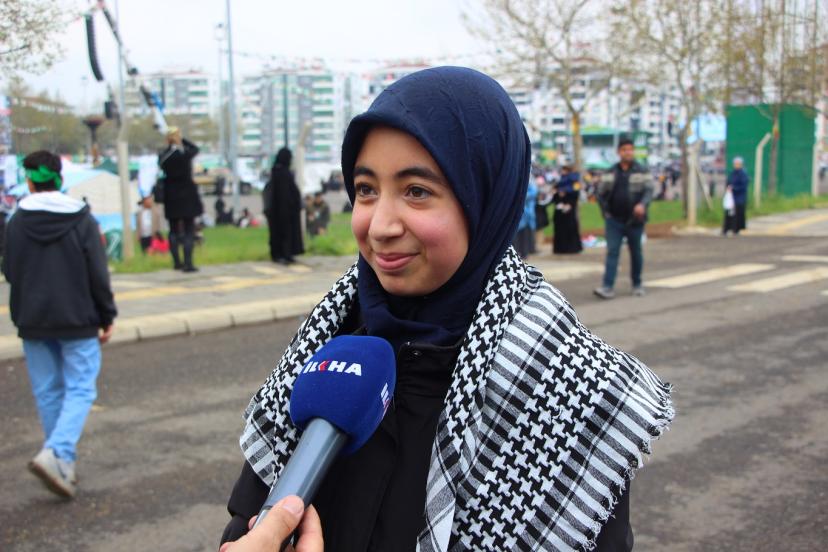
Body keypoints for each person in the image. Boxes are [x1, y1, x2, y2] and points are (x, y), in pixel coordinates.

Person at [220, 68, 673, 551]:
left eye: (416, 191)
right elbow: (246, 523)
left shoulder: (569, 392)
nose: (380, 226)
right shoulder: (327, 348)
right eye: (366, 189)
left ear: (486, 200)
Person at [2, 150, 117, 499]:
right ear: (60, 179)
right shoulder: (82, 219)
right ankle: (58, 454)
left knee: (47, 391)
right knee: (80, 389)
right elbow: (97, 274)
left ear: (30, 181)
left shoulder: (15, 221)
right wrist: (106, 315)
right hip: (78, 318)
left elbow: (10, 271)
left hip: (32, 319)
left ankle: (61, 461)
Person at [594, 138, 654, 299]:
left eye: (630, 149)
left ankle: (637, 283)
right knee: (612, 252)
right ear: (619, 152)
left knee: (636, 252)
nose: (628, 152)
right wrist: (605, 212)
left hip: (635, 220)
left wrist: (642, 205)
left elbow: (649, 191)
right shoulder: (611, 172)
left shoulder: (642, 171)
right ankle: (607, 286)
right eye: (624, 150)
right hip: (614, 220)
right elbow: (600, 193)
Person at [158, 127, 203, 272]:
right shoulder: (184, 154)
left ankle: (177, 262)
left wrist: (171, 141)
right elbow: (195, 149)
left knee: (173, 230)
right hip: (187, 195)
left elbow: (160, 164)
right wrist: (181, 139)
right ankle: (188, 263)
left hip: (171, 196)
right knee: (189, 229)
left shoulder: (164, 155)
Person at [262, 148, 304, 264]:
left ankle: (285, 254)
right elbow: (283, 194)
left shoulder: (277, 172)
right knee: (282, 233)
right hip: (281, 210)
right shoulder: (282, 173)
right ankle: (281, 255)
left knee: (283, 233)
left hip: (282, 210)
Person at [552, 162, 583, 254]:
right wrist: (558, 198)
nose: (563, 172)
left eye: (565, 170)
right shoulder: (560, 181)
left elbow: (576, 194)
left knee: (570, 228)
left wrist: (570, 204)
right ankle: (561, 248)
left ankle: (572, 248)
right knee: (560, 229)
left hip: (569, 208)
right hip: (560, 208)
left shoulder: (575, 182)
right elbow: (554, 192)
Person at [725, 156, 749, 235]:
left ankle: (736, 230)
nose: (736, 165)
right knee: (729, 213)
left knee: (738, 214)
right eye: (735, 164)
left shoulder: (743, 174)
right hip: (731, 198)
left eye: (738, 164)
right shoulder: (732, 173)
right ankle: (727, 229)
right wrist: (729, 188)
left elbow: (743, 186)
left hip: (739, 198)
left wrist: (734, 188)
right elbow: (728, 182)